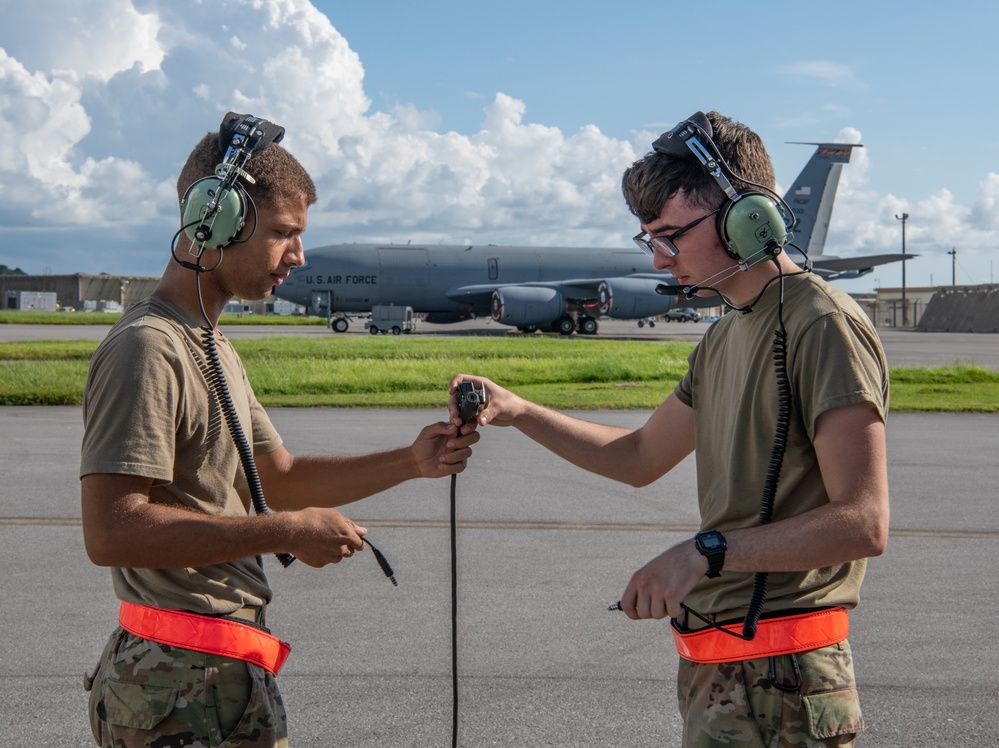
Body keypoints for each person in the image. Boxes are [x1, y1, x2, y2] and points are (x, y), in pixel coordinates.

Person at [449, 111, 889, 747]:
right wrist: (516, 409)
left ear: (748, 219)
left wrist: (703, 553)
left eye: (671, 235)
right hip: (719, 669)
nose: (659, 256)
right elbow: (637, 457)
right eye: (648, 239)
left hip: (785, 679)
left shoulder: (822, 323)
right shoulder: (724, 336)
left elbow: (864, 521)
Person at [80, 113, 478, 748]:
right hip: (173, 686)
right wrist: (287, 532)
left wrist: (411, 459)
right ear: (215, 219)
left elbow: (279, 476)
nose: (298, 256)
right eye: (283, 234)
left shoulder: (210, 344)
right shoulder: (149, 349)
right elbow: (112, 530)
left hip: (219, 673)